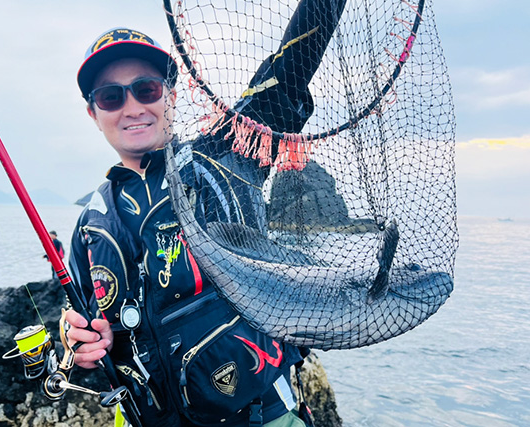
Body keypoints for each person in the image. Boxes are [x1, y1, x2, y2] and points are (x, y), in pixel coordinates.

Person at [65, 2, 346, 425]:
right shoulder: (90, 224)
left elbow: (288, 75)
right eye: (110, 96)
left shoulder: (225, 159)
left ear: (172, 95)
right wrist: (80, 343)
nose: (132, 107)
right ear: (93, 113)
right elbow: (84, 328)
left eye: (147, 89)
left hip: (262, 416)